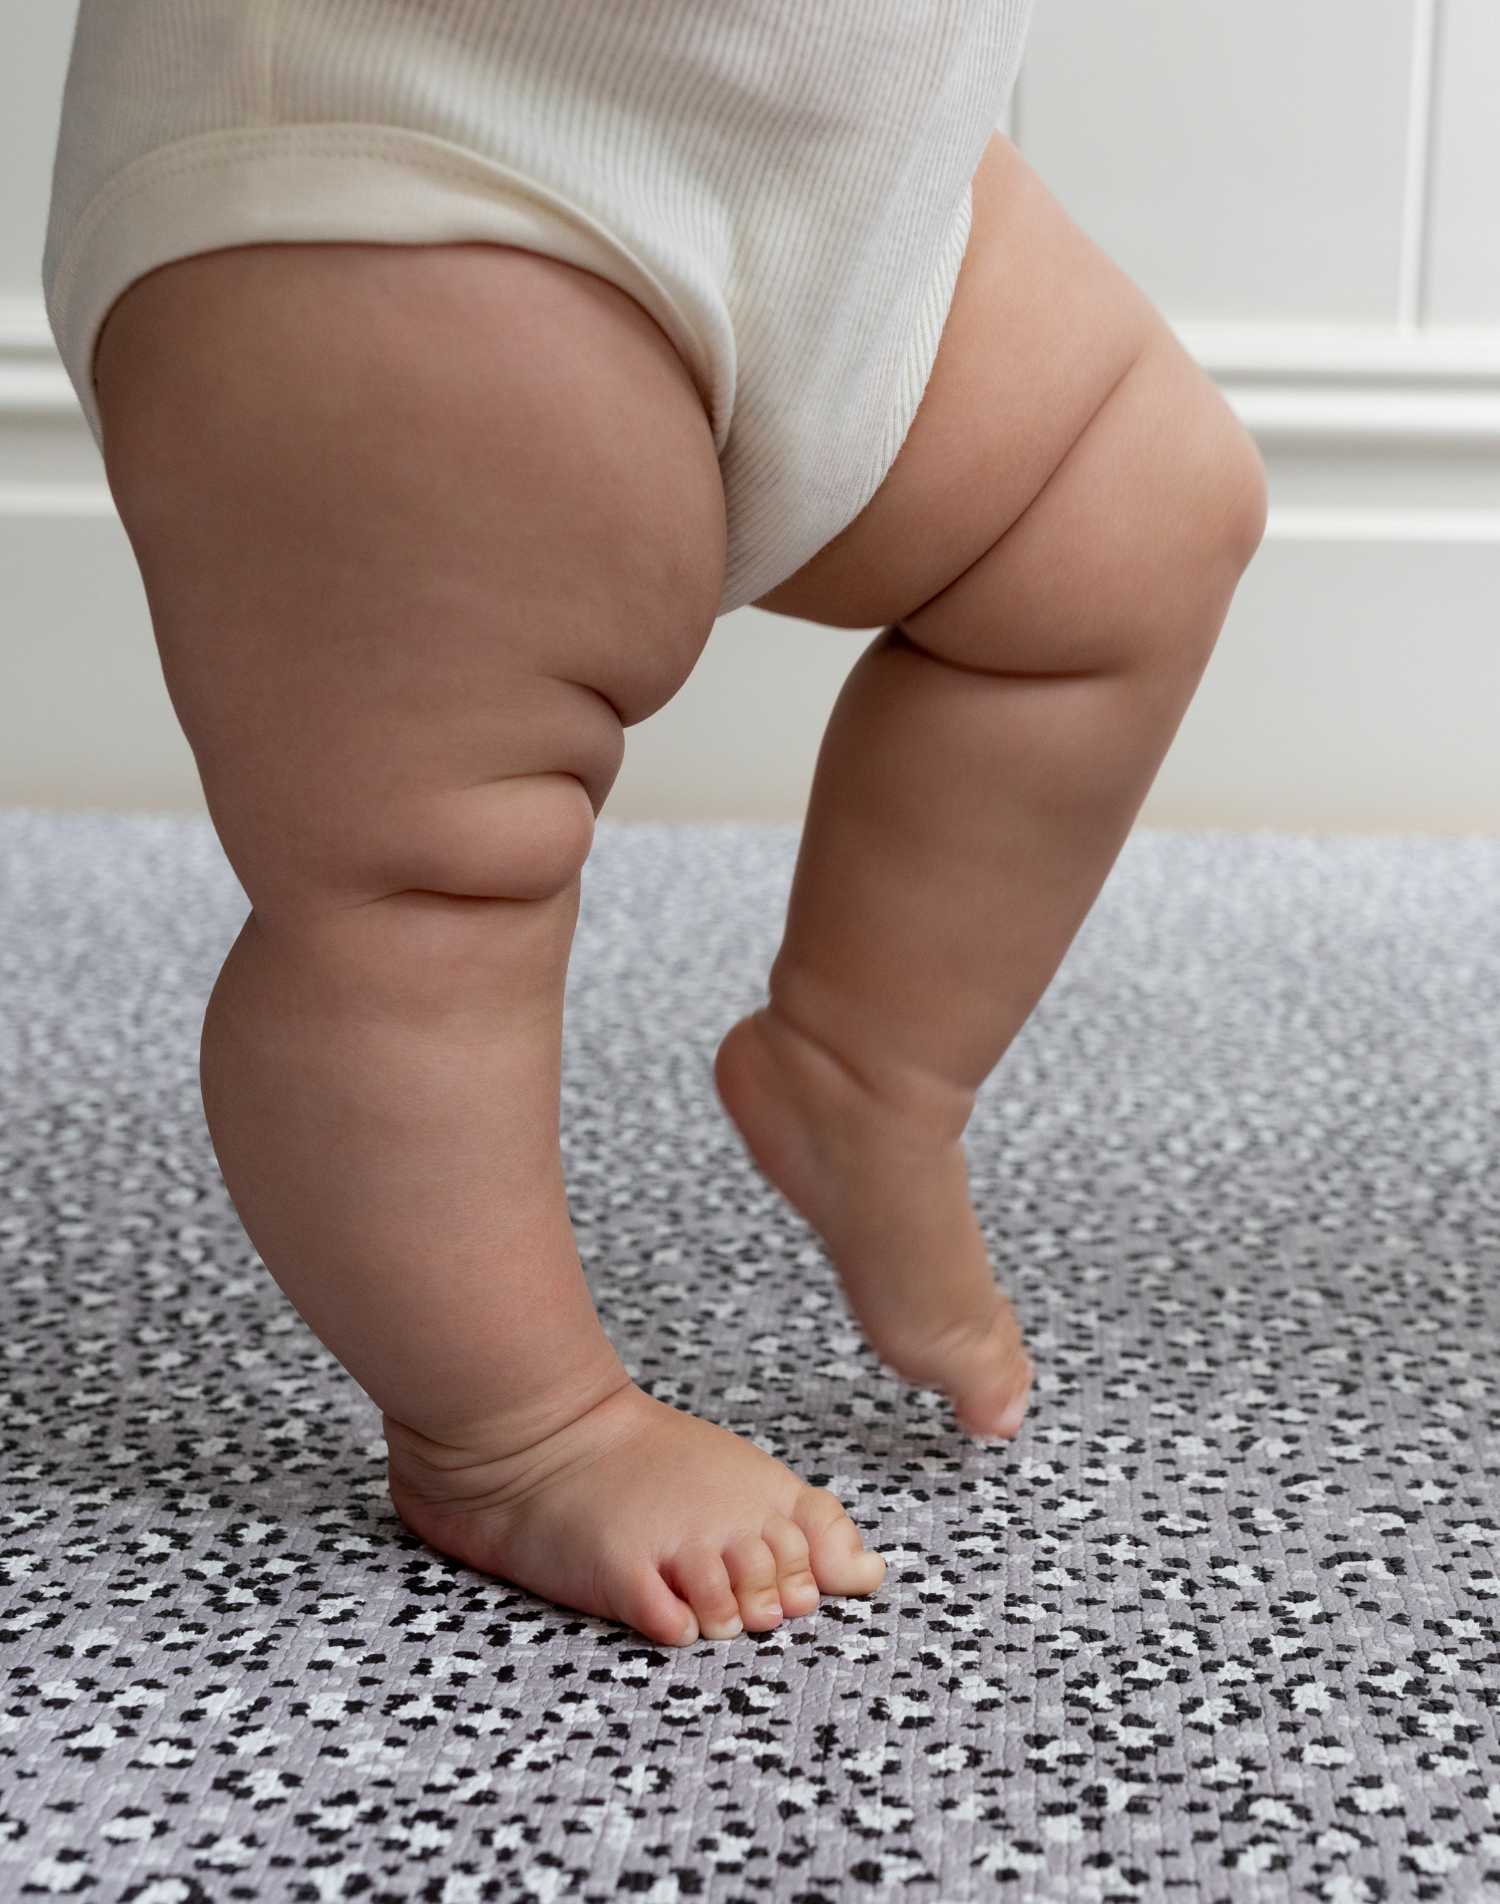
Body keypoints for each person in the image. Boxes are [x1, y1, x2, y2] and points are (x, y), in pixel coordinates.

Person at [44, 1, 1266, 1647]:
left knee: (1138, 514)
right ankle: (513, 1425)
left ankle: (870, 1067)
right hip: (433, 156)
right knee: (431, 881)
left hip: (845, 163)